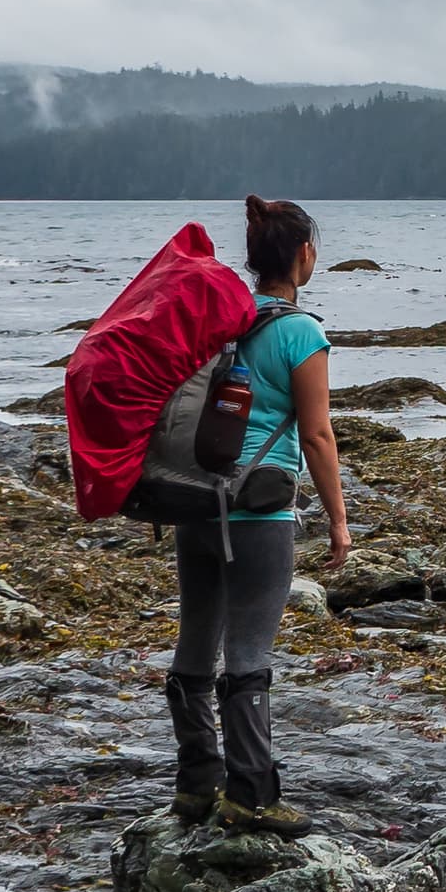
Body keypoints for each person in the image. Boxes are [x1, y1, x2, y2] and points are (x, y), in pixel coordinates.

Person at [164, 195, 351, 835]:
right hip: (260, 510)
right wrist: (339, 521)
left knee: (195, 643)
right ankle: (252, 795)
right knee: (247, 651)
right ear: (304, 255)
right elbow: (319, 436)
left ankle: (195, 785)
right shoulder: (300, 332)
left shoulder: (221, 324)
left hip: (195, 500)